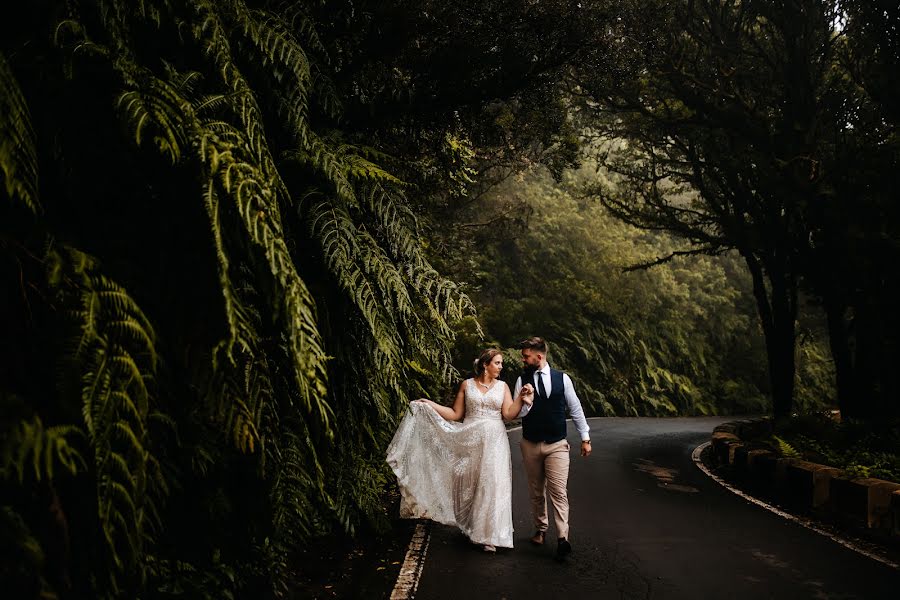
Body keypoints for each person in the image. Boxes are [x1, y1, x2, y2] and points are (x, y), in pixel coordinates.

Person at [386, 348, 533, 552]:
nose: (501, 367)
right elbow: (455, 414)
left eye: (501, 364)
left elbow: (509, 414)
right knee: (469, 484)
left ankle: (490, 535)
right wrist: (430, 404)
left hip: (495, 441)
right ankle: (472, 526)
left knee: (492, 483)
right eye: (497, 363)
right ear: (485, 364)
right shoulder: (467, 385)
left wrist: (521, 398)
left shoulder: (503, 387)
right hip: (469, 439)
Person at [513, 336, 592, 561]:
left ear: (539, 356)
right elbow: (516, 414)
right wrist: (525, 402)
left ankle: (562, 538)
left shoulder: (562, 379)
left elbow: (575, 408)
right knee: (536, 491)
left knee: (558, 491)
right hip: (530, 443)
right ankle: (540, 529)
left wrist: (585, 438)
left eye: (526, 356)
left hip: (557, 444)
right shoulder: (522, 380)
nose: (523, 360)